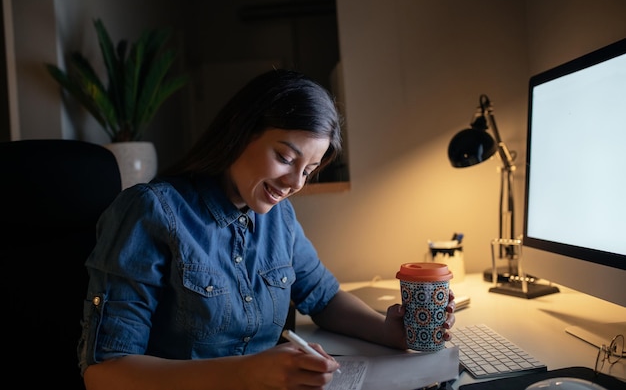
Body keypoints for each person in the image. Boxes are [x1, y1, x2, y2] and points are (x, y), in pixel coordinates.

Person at [78, 68, 456, 390]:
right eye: (285, 158)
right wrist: (247, 373)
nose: (294, 182)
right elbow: (105, 373)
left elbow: (324, 299)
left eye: (308, 170)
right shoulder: (151, 211)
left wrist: (388, 332)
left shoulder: (280, 217)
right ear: (241, 132)